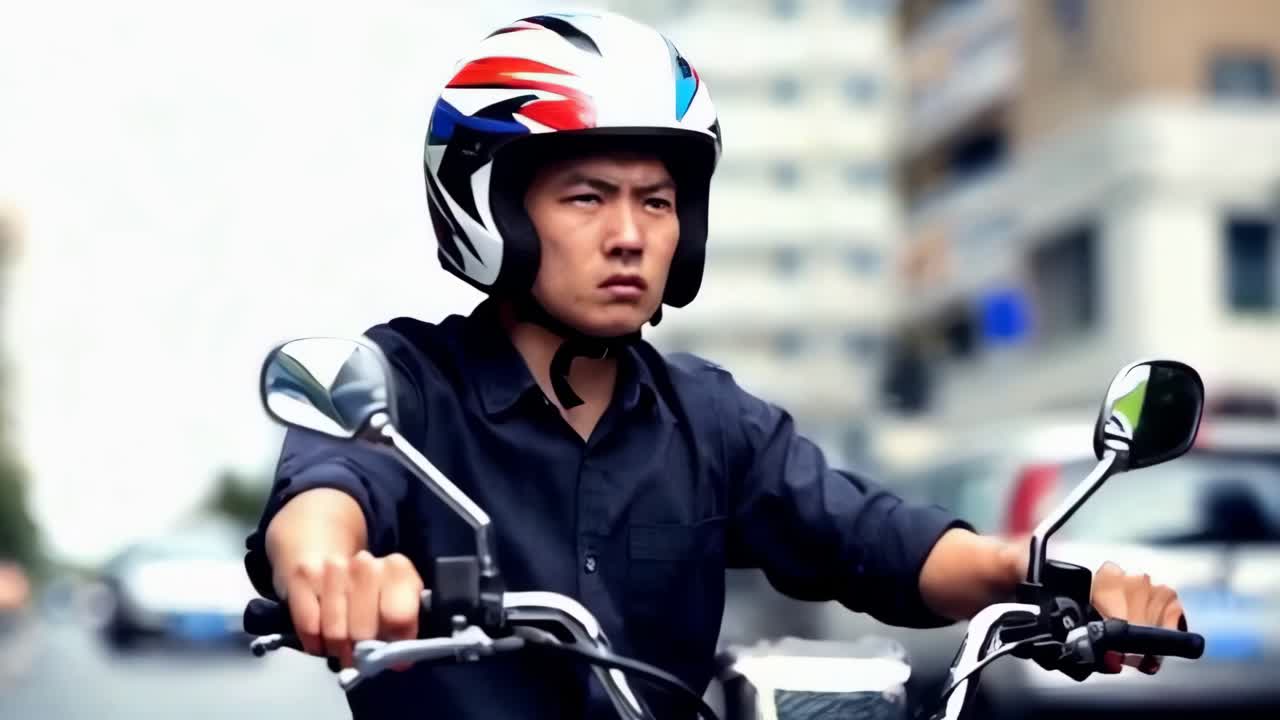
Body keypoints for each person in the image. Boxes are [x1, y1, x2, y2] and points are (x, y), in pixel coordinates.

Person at [244, 11, 1189, 719]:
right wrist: (333, 573)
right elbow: (327, 494)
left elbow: (873, 535)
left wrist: (1055, 577)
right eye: (586, 197)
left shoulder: (709, 419)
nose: (629, 236)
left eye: (656, 203)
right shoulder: (409, 383)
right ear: (492, 210)